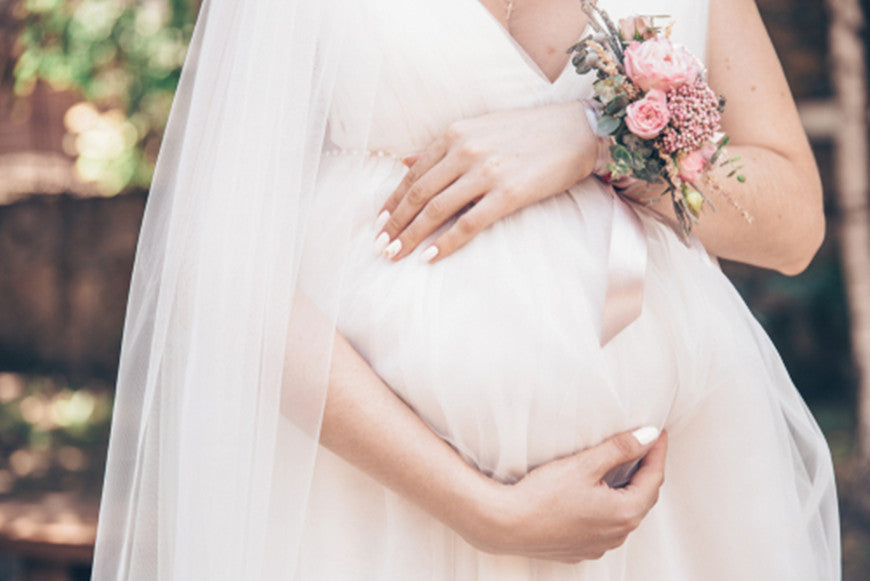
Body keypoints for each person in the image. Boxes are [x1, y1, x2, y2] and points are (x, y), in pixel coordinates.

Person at [92, 0, 840, 579]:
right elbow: (218, 266)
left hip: (665, 517)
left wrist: (596, 141)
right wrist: (482, 508)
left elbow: (794, 224)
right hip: (375, 508)